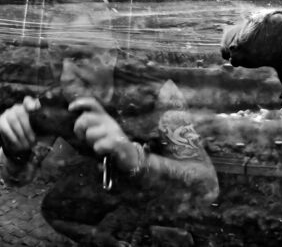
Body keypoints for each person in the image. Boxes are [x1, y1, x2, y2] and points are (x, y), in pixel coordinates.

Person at [0, 78, 219, 246]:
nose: (66, 74)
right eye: (57, 58)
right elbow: (18, 179)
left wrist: (133, 158)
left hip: (159, 190)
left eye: (80, 57)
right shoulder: (54, 97)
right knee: (55, 208)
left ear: (109, 51)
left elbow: (207, 185)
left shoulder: (156, 90)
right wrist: (15, 151)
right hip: (105, 181)